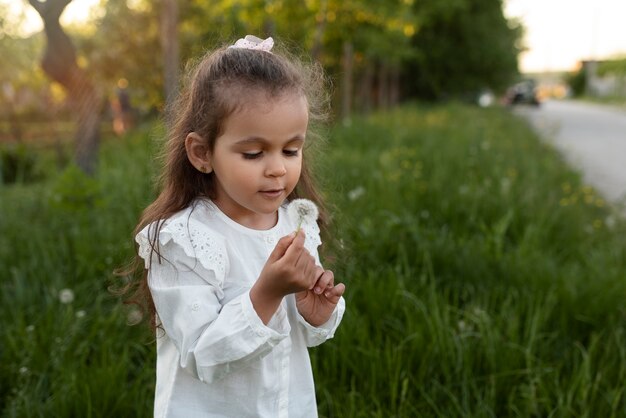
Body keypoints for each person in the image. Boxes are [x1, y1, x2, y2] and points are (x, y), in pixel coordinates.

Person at [126, 35, 346, 417]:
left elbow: (299, 337)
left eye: (291, 150)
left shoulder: (295, 224)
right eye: (253, 153)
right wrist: (267, 293)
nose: (277, 167)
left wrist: (316, 313)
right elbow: (201, 354)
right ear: (202, 153)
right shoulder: (185, 240)